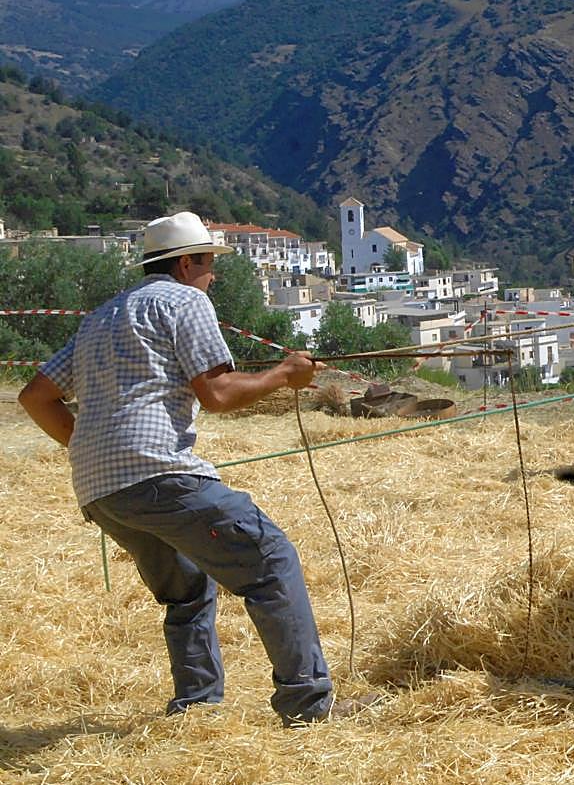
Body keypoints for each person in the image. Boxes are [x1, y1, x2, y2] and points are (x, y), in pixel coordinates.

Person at [19, 211, 366, 725]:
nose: (213, 276)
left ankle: (195, 709)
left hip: (99, 490)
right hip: (159, 474)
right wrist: (284, 374)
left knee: (187, 590)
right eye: (208, 264)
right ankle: (308, 705)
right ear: (185, 264)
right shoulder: (185, 301)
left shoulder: (101, 318)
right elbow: (218, 393)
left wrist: (89, 446)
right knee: (270, 559)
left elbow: (35, 396)